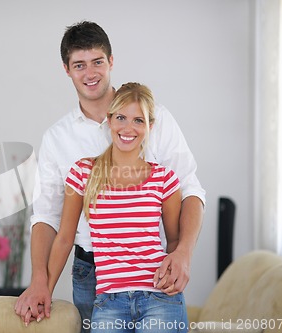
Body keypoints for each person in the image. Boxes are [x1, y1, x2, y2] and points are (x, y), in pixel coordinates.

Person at [14, 21, 205, 331]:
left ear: (111, 61)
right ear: (67, 69)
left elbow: (190, 190)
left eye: (98, 62)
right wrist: (40, 281)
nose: (90, 73)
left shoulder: (157, 119)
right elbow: (47, 218)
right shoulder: (58, 139)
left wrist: (182, 253)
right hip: (93, 274)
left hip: (153, 275)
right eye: (79, 65)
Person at [47, 82, 187, 332]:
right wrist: (44, 289)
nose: (128, 128)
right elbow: (64, 239)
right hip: (108, 303)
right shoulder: (83, 172)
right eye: (121, 117)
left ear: (149, 127)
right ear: (109, 121)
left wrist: (175, 275)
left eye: (138, 120)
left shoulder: (165, 179)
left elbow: (175, 243)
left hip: (160, 300)